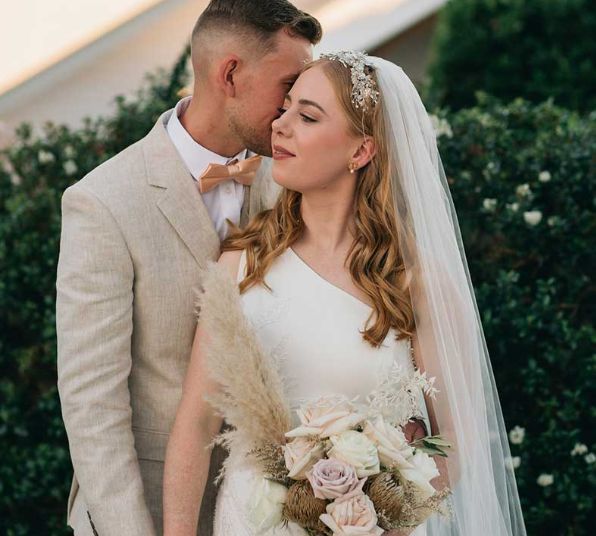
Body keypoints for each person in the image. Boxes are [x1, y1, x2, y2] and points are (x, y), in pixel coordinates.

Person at [163, 51, 528, 535]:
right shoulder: (241, 266)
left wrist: (381, 524)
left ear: (361, 151)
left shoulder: (412, 281)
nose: (281, 125)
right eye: (286, 106)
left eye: (308, 116)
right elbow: (195, 426)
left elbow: (456, 440)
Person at [55, 1, 322, 535]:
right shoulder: (103, 201)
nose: (293, 107)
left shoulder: (297, 181)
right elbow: (92, 406)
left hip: (276, 509)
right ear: (230, 74)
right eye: (287, 86)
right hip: (149, 507)